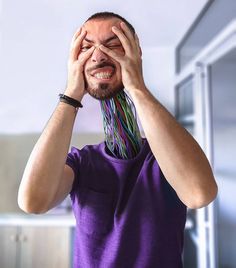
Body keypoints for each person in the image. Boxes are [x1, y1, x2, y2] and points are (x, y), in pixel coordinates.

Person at [18, 12, 218, 268]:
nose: (98, 56)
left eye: (113, 45)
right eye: (86, 47)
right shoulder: (83, 162)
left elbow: (199, 195)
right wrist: (71, 93)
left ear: (136, 53)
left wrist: (137, 87)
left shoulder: (163, 160)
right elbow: (32, 202)